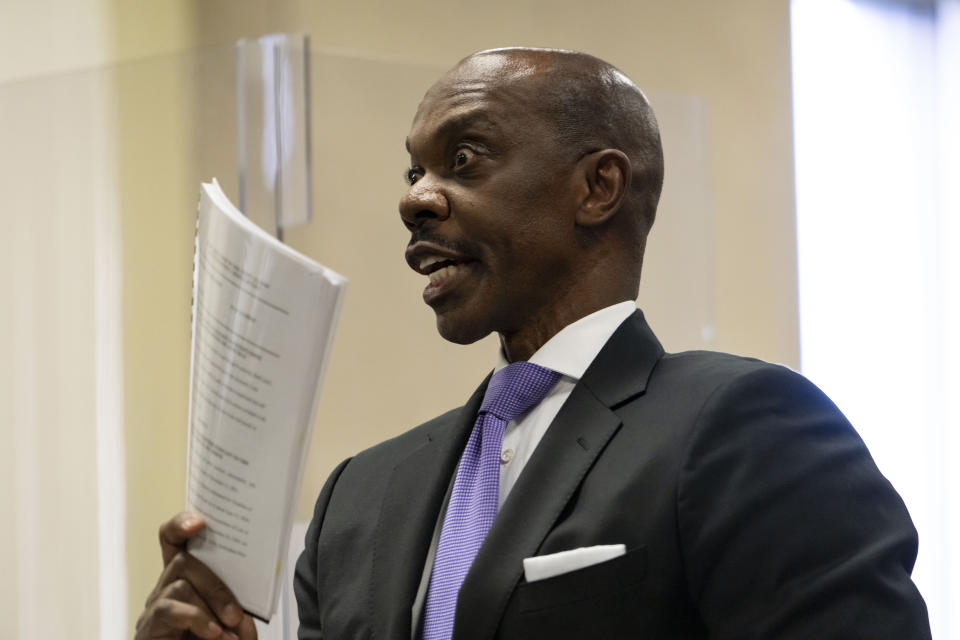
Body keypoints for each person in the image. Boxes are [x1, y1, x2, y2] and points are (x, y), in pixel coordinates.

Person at [136, 48, 931, 640]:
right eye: (412, 170)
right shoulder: (360, 498)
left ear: (598, 188)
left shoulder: (744, 427)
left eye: (464, 158)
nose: (414, 198)